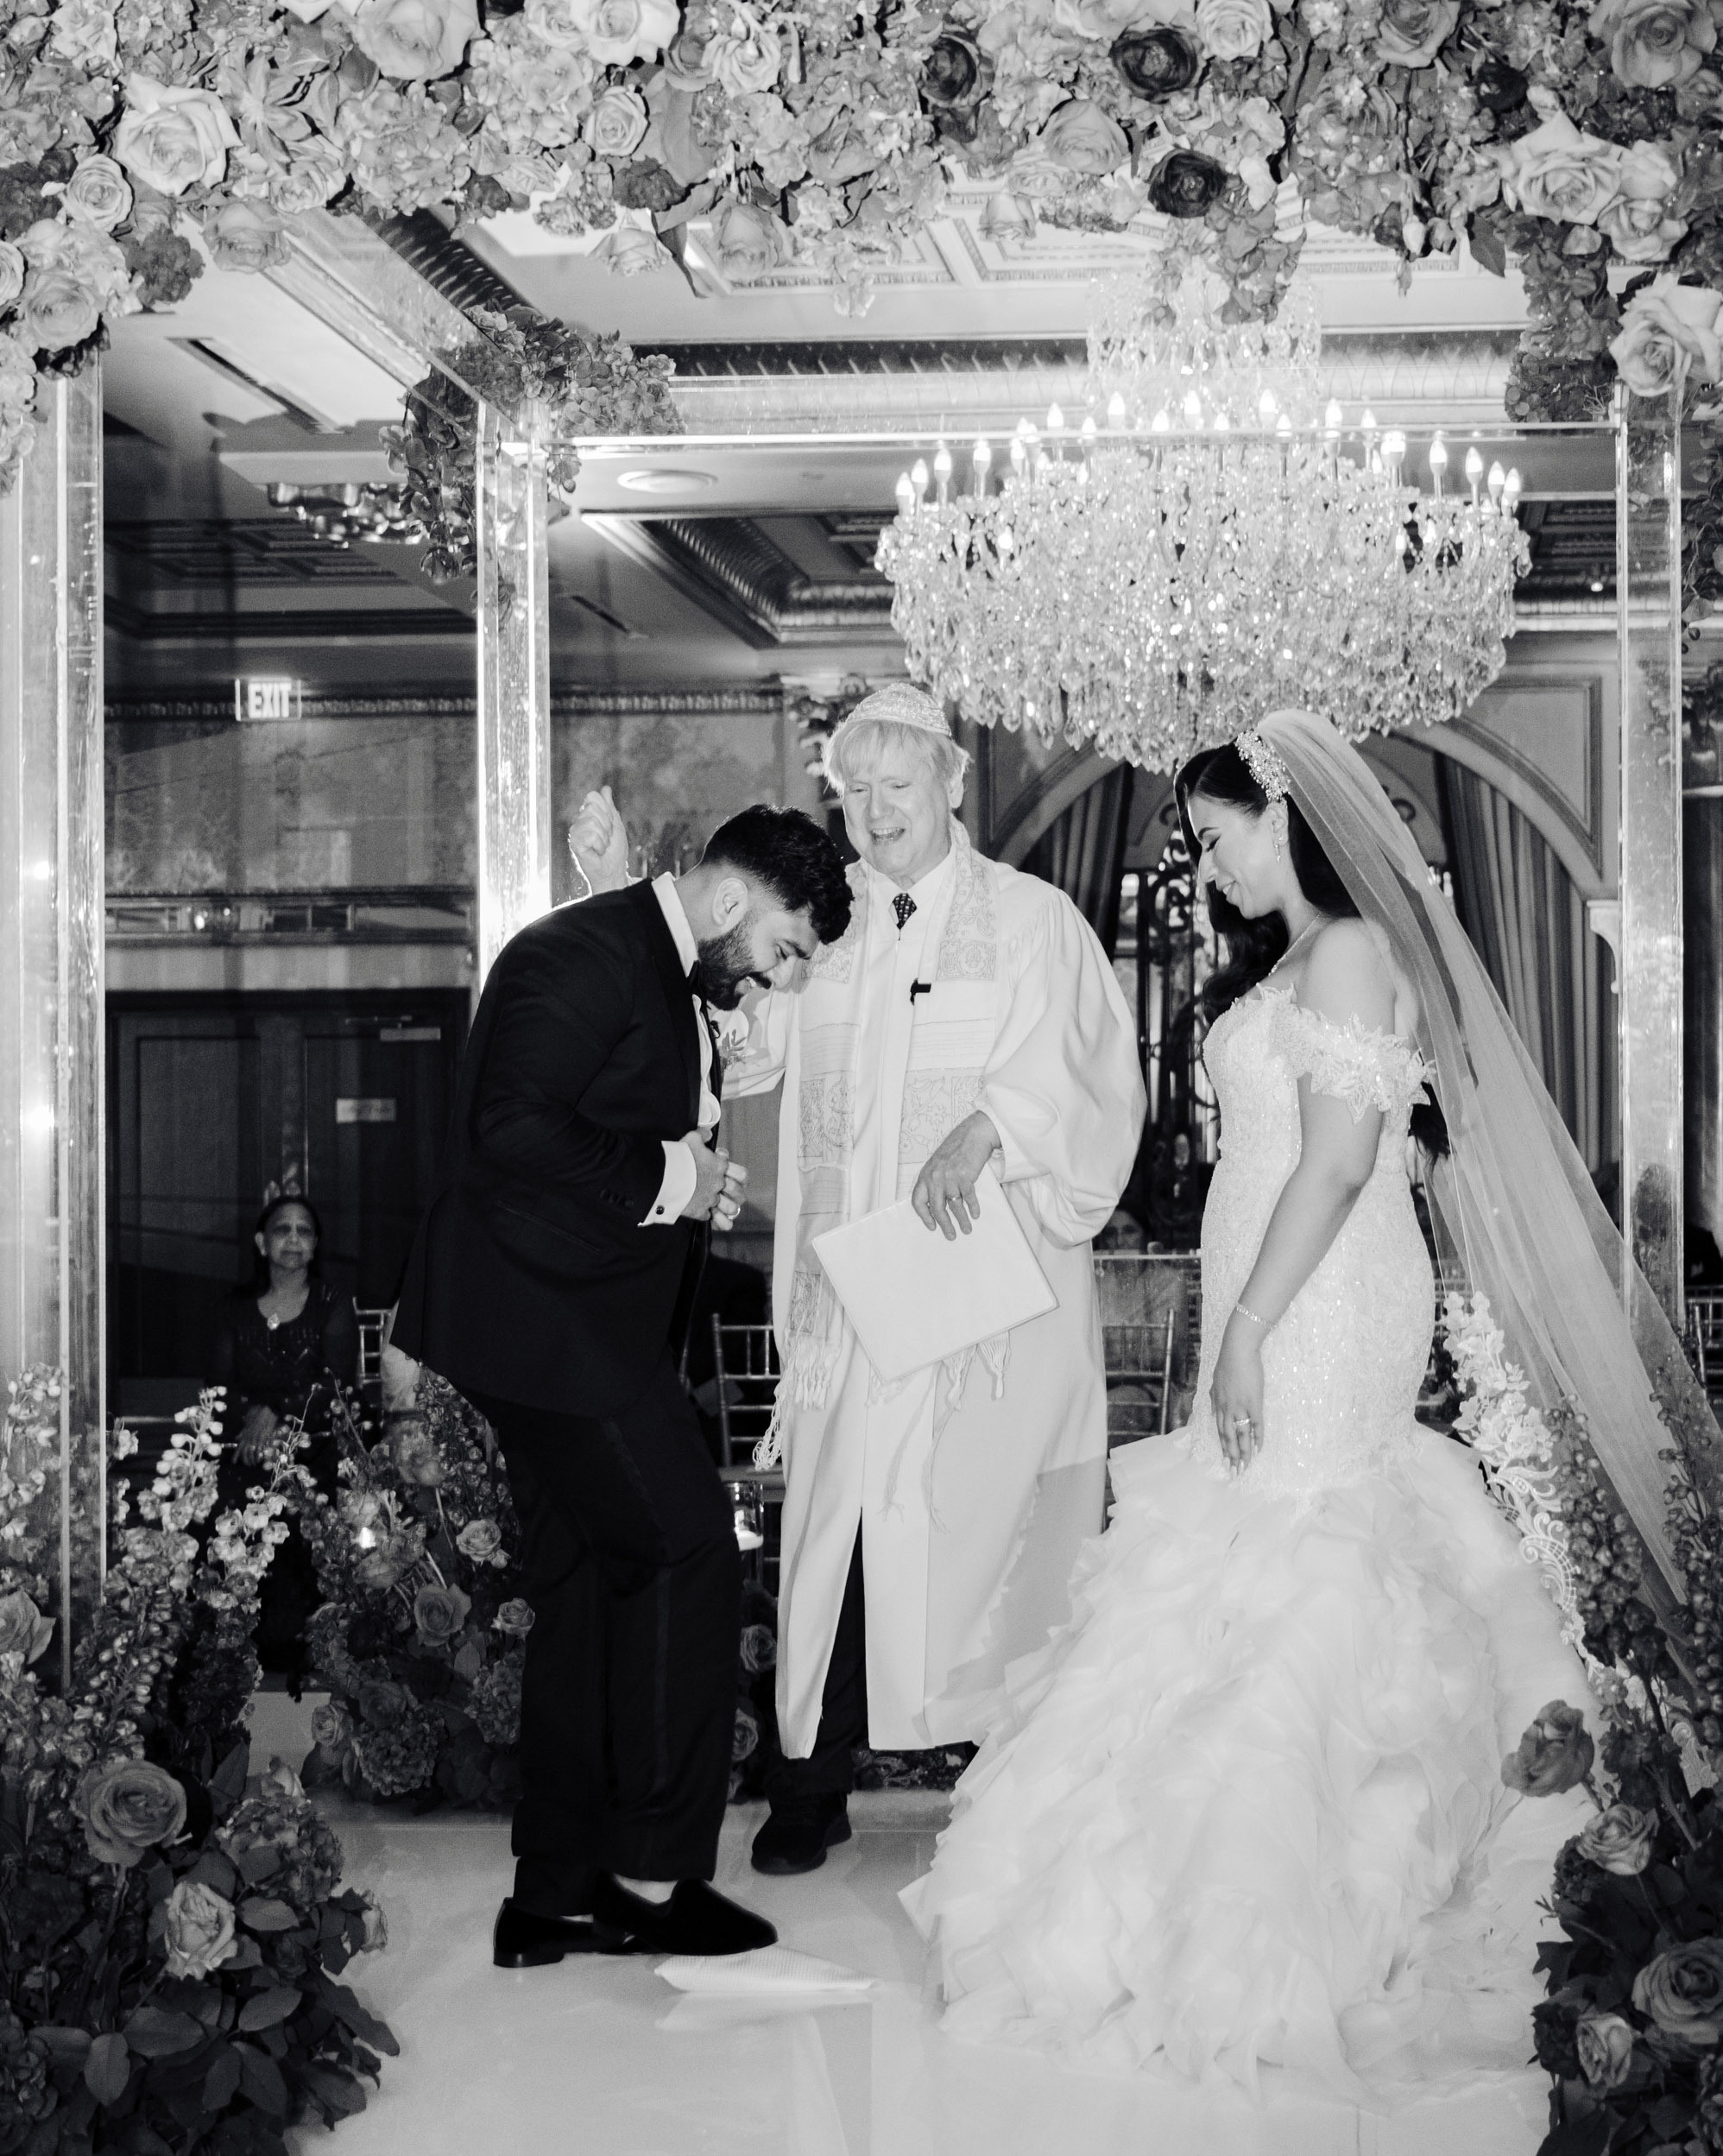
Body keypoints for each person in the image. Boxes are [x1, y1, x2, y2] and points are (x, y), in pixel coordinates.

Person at [905, 712, 1720, 2100]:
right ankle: (1190, 1878)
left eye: (1217, 838)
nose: (1208, 867)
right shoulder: (1296, 958)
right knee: (1253, 1542)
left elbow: (1340, 1162)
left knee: (1306, 1536)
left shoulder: (1345, 949)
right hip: (1280, 1286)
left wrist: (1250, 1331)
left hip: (1323, 1297)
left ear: (1285, 816)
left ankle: (1290, 1904)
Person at [571, 689, 1146, 1877]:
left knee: (981, 1534)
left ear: (951, 784)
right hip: (850, 1298)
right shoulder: (821, 931)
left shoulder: (1030, 921)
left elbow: (1091, 1075)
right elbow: (731, 1037)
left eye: (899, 786)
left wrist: (991, 1127)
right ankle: (810, 1785)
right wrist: (630, 897)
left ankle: (1004, 1780)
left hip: (986, 1310)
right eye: (855, 791)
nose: (877, 812)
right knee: (833, 1531)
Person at [391, 804, 852, 1969]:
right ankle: (651, 1881)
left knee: (589, 1582)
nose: (781, 977)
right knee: (689, 1551)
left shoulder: (654, 958)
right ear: (734, 900)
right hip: (549, 1328)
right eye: (785, 948)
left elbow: (600, 1116)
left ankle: (552, 1898)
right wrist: (670, 1177)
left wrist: (685, 1173)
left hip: (572, 1325)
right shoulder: (582, 952)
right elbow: (507, 1128)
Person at [207, 1193, 359, 1679]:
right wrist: (253, 1414)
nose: (293, 1239)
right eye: (282, 1229)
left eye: (304, 1230)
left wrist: (274, 1412)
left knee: (309, 1590)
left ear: (315, 1245)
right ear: (261, 1242)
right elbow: (217, 1389)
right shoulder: (232, 1308)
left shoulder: (333, 1303)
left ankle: (305, 1689)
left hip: (315, 1468)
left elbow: (336, 1386)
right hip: (246, 1464)